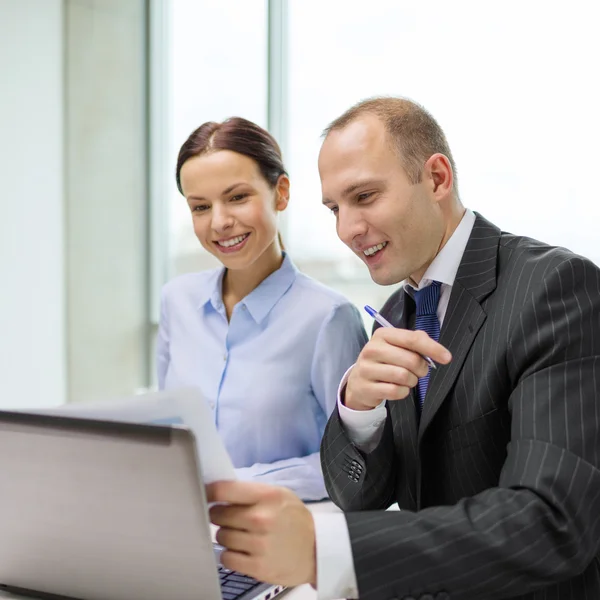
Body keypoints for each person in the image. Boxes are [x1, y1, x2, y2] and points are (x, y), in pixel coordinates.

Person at [206, 98, 600, 599]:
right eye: (334, 209)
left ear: (436, 178)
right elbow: (360, 496)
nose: (346, 229)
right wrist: (357, 413)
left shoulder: (555, 288)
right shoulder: (395, 314)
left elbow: (551, 523)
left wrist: (323, 549)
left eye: (364, 196)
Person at [157, 117, 368, 502]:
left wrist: (231, 486)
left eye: (237, 197)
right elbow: (168, 436)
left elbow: (356, 463)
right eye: (200, 207)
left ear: (280, 193)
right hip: (183, 533)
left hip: (280, 543)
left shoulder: (328, 318)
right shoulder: (177, 302)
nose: (219, 222)